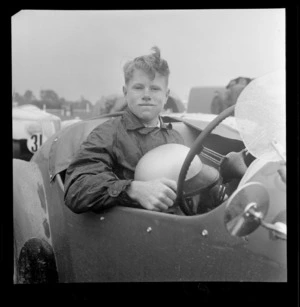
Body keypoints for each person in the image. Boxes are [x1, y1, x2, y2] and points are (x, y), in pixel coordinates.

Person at [64, 47, 185, 214]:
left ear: (166, 96)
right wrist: (132, 189)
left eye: (155, 88)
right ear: (125, 92)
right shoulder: (108, 134)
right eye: (138, 87)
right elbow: (77, 189)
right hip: (132, 230)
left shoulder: (175, 138)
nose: (146, 95)